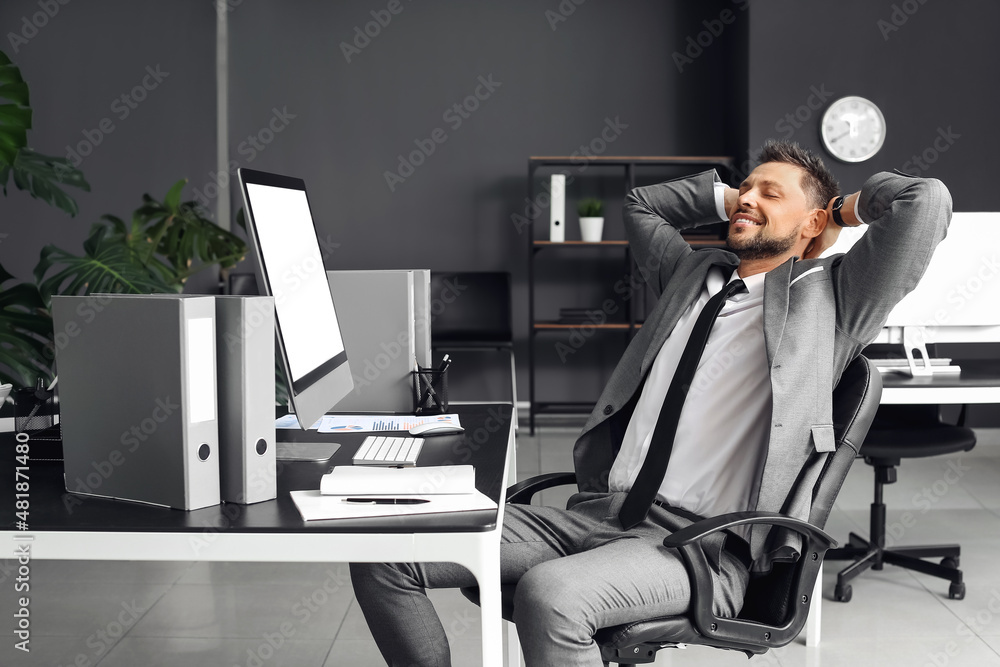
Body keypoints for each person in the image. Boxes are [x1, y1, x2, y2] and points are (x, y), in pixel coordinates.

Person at [350, 140, 952, 666]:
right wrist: (730, 199)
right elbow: (640, 205)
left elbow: (925, 204)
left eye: (771, 193)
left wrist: (843, 211)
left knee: (550, 595)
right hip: (596, 513)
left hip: (699, 547)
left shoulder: (837, 300)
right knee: (388, 555)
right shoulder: (689, 275)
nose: (748, 198)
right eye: (745, 187)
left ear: (810, 221)